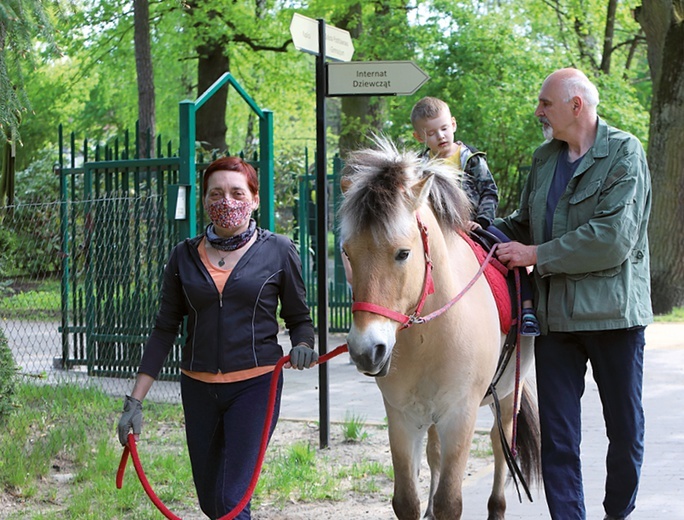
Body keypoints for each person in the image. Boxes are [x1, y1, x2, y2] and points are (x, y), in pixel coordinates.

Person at [117, 156, 317, 520]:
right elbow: (165, 329)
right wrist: (135, 400)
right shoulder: (183, 256)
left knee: (230, 500)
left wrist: (303, 344)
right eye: (217, 193)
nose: (227, 202)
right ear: (205, 201)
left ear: (255, 199)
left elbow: (299, 319)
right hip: (198, 389)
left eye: (237, 192)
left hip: (256, 386)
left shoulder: (279, 250)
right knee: (212, 501)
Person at [493, 68, 653, 520]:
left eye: (545, 102)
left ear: (576, 105)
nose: (539, 110)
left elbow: (611, 239)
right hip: (556, 322)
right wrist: (478, 230)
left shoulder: (624, 153)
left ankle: (617, 512)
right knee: (559, 438)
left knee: (625, 432)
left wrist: (535, 253)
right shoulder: (545, 158)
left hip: (614, 318)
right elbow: (524, 222)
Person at [410, 96, 540, 335]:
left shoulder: (471, 159)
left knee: (507, 250)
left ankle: (527, 309)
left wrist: (480, 221)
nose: (440, 136)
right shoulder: (420, 167)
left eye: (444, 128)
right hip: (437, 229)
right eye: (431, 133)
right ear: (420, 137)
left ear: (453, 124)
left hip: (472, 224)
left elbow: (489, 191)